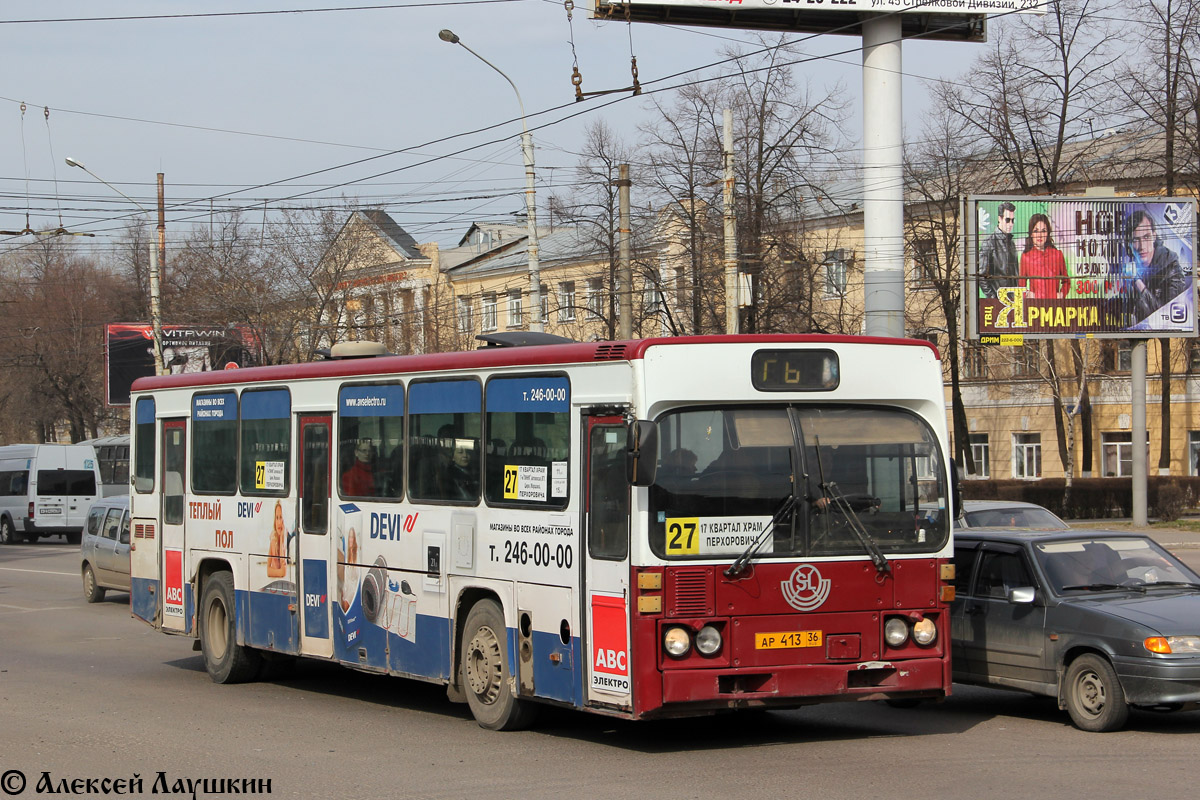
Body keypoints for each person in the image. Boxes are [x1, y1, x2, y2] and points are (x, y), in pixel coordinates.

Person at [1125, 210, 1191, 322]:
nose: (1141, 246)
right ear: (1129, 243)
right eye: (1136, 239)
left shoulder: (1171, 268)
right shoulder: (1132, 267)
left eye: (1146, 237)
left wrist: (1138, 283)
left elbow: (1163, 315)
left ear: (1154, 236)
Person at [1018, 213, 1069, 300]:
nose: (1040, 235)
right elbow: (1021, 285)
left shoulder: (1057, 255)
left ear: (1048, 233)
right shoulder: (1026, 257)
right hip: (1034, 307)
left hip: (1054, 307)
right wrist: (1027, 294)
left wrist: (1061, 295)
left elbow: (1066, 282)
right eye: (1036, 231)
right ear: (1031, 234)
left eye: (1043, 231)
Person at [980, 201, 1018, 299]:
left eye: (1013, 220)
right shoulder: (989, 243)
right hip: (999, 301)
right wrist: (993, 298)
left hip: (1014, 301)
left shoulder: (1011, 243)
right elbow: (982, 276)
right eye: (1008, 220)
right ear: (999, 219)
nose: (1010, 224)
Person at [267, 499, 287, 578]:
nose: (278, 522)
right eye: (277, 518)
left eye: (281, 517)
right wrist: (279, 572)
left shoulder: (286, 537)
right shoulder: (273, 538)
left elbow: (283, 572)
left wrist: (282, 538)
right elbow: (268, 571)